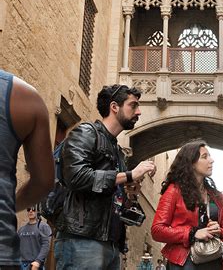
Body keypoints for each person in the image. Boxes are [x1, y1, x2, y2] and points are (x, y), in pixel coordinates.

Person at [53, 84, 156, 270]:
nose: (138, 112)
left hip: (111, 244)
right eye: (133, 105)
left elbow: (114, 198)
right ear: (114, 107)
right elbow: (76, 176)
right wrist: (130, 174)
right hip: (82, 241)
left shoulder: (118, 152)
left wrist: (131, 194)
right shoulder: (86, 132)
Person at [0, 70, 54, 269]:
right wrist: (9, 206)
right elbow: (43, 182)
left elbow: (45, 244)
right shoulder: (24, 96)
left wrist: (37, 262)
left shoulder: (42, 228)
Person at [151, 139, 223, 269]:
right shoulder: (174, 191)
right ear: (191, 163)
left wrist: (219, 232)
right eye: (205, 157)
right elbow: (157, 230)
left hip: (213, 260)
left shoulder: (217, 196)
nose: (211, 160)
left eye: (210, 156)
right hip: (184, 261)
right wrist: (192, 233)